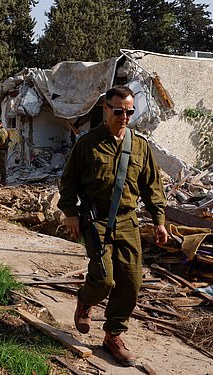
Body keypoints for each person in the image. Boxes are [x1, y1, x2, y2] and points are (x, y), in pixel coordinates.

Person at [58, 85, 168, 366]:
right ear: (105, 109)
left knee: (132, 282)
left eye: (129, 111)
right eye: (118, 111)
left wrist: (159, 221)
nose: (124, 116)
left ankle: (113, 335)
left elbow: (152, 187)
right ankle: (85, 299)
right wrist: (70, 213)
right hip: (96, 221)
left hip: (128, 222)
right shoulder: (87, 143)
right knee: (104, 279)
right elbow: (68, 180)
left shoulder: (140, 145)